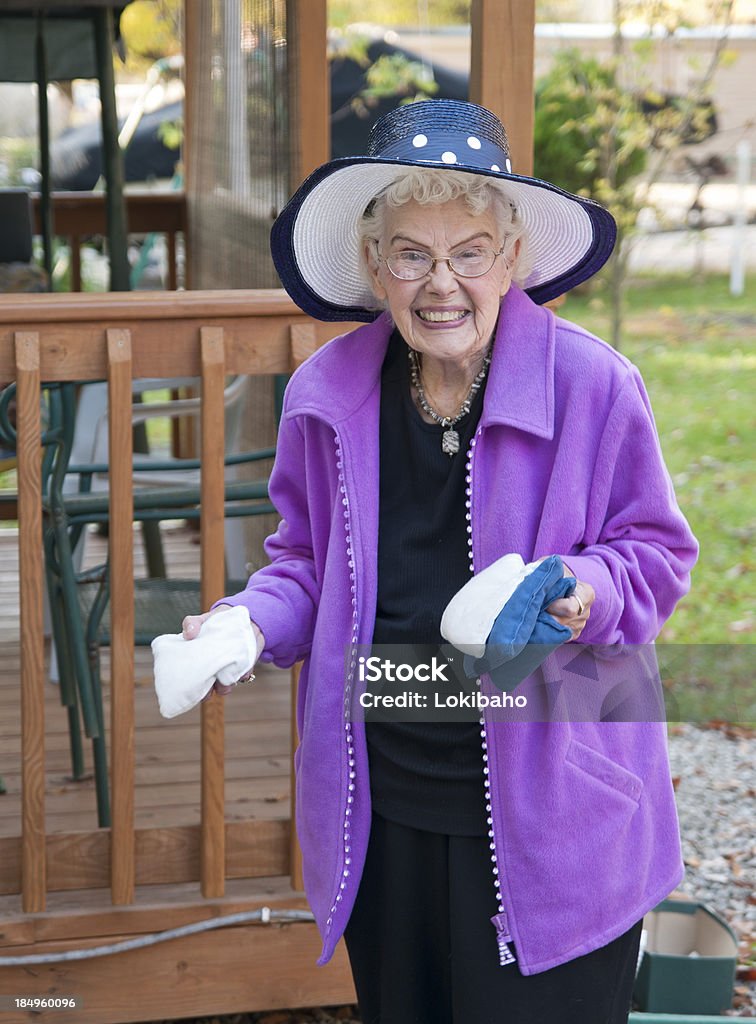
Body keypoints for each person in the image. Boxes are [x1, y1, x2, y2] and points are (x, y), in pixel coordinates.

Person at [181, 100, 698, 1024]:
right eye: (412, 253)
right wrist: (249, 621)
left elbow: (656, 553)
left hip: (558, 810)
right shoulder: (326, 394)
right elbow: (305, 561)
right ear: (376, 265)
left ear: (513, 261)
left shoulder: (593, 384)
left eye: (469, 252)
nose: (441, 283)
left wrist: (578, 590)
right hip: (387, 809)